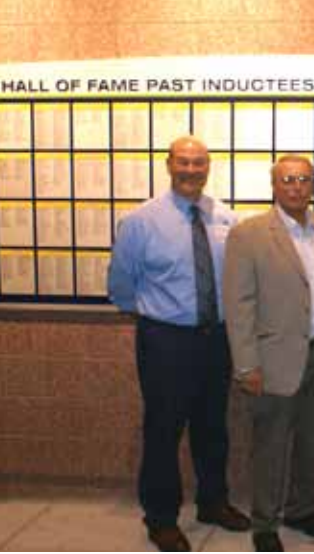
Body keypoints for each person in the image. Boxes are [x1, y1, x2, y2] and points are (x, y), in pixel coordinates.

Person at [108, 136, 250, 552]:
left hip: (216, 339)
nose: (192, 170)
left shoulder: (225, 218)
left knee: (213, 427)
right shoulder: (140, 221)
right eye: (184, 162)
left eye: (199, 163)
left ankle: (213, 502)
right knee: (163, 430)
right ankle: (161, 517)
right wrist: (160, 316)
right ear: (169, 165)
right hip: (165, 340)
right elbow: (121, 287)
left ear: (209, 167)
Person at [223, 155, 314, 552]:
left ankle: (302, 509)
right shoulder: (248, 234)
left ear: (312, 185)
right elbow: (239, 306)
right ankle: (265, 522)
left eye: (304, 180)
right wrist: (246, 365)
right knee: (271, 445)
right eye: (288, 179)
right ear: (274, 185)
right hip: (273, 359)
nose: (296, 187)